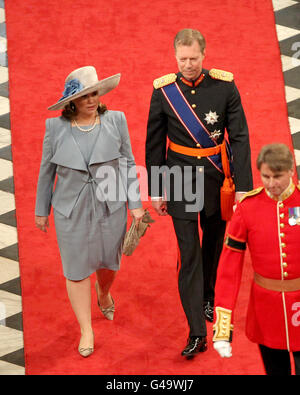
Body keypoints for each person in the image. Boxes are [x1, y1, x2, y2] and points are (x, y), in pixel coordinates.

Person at [145, 28, 253, 358]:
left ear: (204, 55)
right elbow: (154, 144)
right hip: (178, 178)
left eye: (193, 59)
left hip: (216, 180)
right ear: (174, 56)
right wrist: (157, 188)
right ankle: (196, 332)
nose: (188, 65)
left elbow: (239, 137)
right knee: (188, 254)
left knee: (213, 246)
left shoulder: (225, 86)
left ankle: (208, 295)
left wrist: (243, 188)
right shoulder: (164, 91)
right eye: (182, 59)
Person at [35, 66, 144, 357]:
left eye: (94, 94)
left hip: (111, 204)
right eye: (84, 96)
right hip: (70, 210)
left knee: (109, 263)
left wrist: (135, 205)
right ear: (72, 101)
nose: (91, 100)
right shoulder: (55, 128)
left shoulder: (116, 120)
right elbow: (47, 171)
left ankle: (104, 291)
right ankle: (86, 328)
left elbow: (128, 163)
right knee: (77, 269)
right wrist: (41, 209)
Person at [213, 143, 300, 375]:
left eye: (277, 177)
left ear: (292, 172)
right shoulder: (247, 208)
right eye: (266, 176)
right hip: (267, 311)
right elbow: (229, 268)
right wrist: (222, 329)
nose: (271, 184)